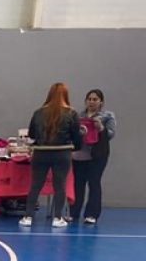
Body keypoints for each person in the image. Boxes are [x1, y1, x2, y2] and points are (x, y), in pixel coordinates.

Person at [22, 82, 81, 228]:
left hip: (41, 152)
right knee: (60, 185)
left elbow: (32, 134)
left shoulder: (38, 113)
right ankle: (57, 217)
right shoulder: (72, 113)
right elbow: (77, 137)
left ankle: (28, 216)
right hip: (62, 152)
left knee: (36, 185)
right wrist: (75, 147)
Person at [71, 89, 116, 225]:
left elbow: (111, 134)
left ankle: (91, 214)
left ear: (101, 102)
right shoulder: (79, 116)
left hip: (97, 155)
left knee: (94, 183)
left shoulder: (108, 116)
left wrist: (101, 128)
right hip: (79, 155)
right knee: (77, 184)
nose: (92, 102)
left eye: (95, 99)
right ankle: (74, 212)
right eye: (89, 99)